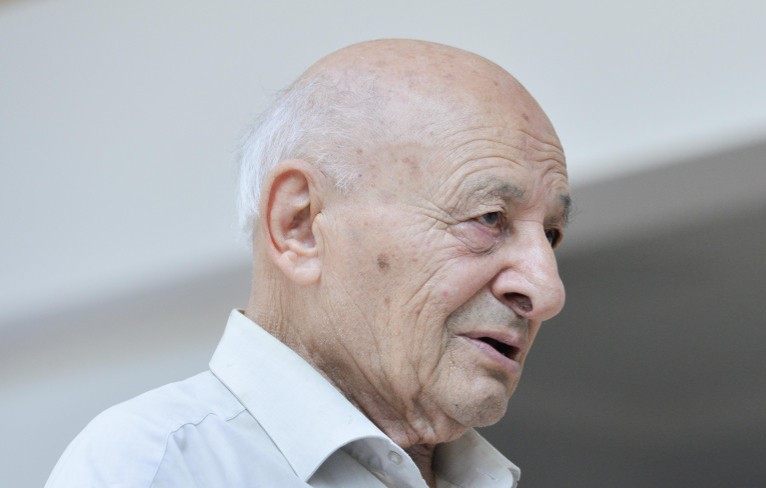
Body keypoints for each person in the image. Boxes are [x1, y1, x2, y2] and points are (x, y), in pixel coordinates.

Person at [46, 39, 570, 488]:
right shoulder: (157, 468)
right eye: (489, 217)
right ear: (299, 225)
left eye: (550, 235)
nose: (548, 291)